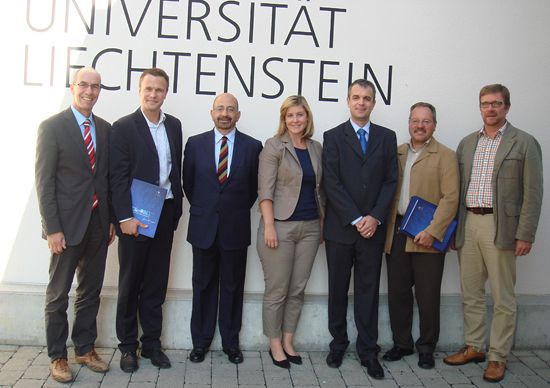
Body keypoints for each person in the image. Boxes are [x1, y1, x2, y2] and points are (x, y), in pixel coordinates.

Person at [444, 84, 543, 382]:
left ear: (507, 107)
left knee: (503, 296)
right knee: (471, 292)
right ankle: (474, 345)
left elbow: (533, 193)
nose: (490, 109)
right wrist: (452, 230)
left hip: (502, 227)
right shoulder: (467, 143)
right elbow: (457, 190)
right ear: (480, 107)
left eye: (497, 104)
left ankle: (498, 355)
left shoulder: (524, 143)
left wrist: (525, 233)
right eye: (485, 104)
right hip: (469, 223)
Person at [35, 67, 115, 383]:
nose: (90, 92)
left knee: (90, 291)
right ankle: (58, 356)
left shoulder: (106, 129)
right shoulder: (52, 127)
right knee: (58, 295)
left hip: (97, 224)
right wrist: (51, 228)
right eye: (84, 85)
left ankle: (84, 347)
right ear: (73, 87)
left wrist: (109, 220)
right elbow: (44, 182)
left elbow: (105, 179)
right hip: (65, 228)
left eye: (96, 87)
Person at [322, 79, 398, 378]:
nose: (361, 103)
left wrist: (375, 217)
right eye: (356, 97)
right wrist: (356, 218)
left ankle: (368, 351)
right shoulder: (333, 136)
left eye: (367, 98)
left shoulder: (387, 137)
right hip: (341, 228)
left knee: (368, 292)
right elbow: (332, 181)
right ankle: (338, 344)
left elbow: (391, 180)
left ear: (373, 102)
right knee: (337, 290)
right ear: (348, 101)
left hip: (373, 230)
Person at [110, 68, 183, 372]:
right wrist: (124, 217)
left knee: (156, 283)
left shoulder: (174, 126)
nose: (154, 94)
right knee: (130, 284)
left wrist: (176, 208)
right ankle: (128, 347)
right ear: (140, 90)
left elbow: (173, 168)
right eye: (148, 89)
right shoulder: (124, 127)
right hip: (135, 218)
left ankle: (151, 343)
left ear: (166, 93)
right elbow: (117, 177)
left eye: (159, 90)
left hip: (164, 213)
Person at [183, 93, 262, 364]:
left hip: (236, 228)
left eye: (230, 109)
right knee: (202, 285)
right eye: (220, 108)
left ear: (238, 115)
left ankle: (231, 342)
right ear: (211, 112)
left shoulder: (253, 147)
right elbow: (189, 185)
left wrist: (230, 210)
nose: (225, 113)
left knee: (232, 286)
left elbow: (254, 189)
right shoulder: (195, 144)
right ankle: (200, 343)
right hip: (203, 226)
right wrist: (209, 209)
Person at [382, 102, 459, 369]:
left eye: (426, 121)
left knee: (427, 295)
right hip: (399, 231)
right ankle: (401, 343)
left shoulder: (446, 155)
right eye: (415, 120)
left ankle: (426, 347)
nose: (420, 126)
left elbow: (451, 198)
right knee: (398, 293)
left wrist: (433, 231)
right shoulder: (398, 152)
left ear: (434, 125)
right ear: (408, 123)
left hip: (427, 234)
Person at [256, 95, 325, 369]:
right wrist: (269, 225)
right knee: (277, 289)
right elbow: (265, 189)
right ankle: (274, 343)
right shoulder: (274, 146)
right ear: (284, 119)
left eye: (300, 115)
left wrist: (321, 224)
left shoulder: (317, 148)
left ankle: (288, 340)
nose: (296, 120)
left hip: (310, 227)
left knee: (297, 289)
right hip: (280, 227)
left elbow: (322, 190)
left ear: (307, 118)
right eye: (290, 115)